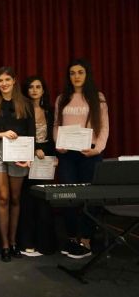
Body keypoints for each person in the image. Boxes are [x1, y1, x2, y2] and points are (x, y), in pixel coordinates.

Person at [54, 59, 109, 259]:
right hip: (68, 155)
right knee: (69, 196)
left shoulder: (98, 97)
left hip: (90, 154)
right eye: (72, 73)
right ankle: (70, 238)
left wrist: (98, 149)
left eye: (80, 72)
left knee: (88, 197)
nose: (76, 76)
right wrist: (57, 143)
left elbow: (103, 127)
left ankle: (85, 238)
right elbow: (56, 125)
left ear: (87, 75)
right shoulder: (62, 98)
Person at [0, 66, 35, 263]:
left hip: (19, 153)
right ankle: (4, 245)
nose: (3, 84)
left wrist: (28, 155)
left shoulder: (25, 104)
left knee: (15, 198)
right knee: (2, 197)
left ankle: (13, 242)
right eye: (0, 81)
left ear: (14, 81)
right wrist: (1, 134)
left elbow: (31, 132)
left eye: (7, 80)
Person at [19, 75, 56, 257]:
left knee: (45, 202)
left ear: (43, 90)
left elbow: (55, 136)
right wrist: (33, 150)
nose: (34, 90)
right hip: (26, 159)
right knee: (27, 202)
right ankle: (27, 242)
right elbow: (19, 135)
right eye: (31, 87)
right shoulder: (22, 110)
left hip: (45, 160)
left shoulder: (50, 111)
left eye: (38, 87)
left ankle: (45, 244)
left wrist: (52, 155)